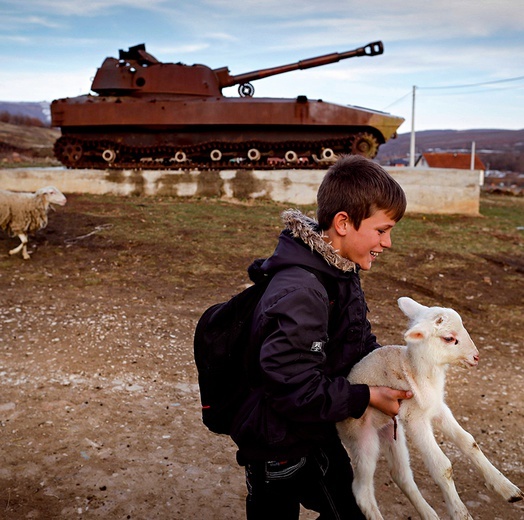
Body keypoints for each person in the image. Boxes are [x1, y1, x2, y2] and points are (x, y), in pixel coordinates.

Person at [230, 154, 413, 519]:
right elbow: (291, 387)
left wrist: (396, 374)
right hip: (279, 446)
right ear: (343, 223)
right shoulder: (304, 291)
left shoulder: (339, 270)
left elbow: (356, 344)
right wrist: (366, 395)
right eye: (382, 230)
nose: (388, 242)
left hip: (311, 430)